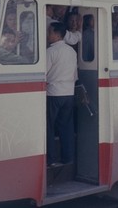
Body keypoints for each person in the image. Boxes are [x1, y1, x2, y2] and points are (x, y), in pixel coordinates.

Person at [46, 22, 78, 167]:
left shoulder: (50, 52)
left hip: (53, 93)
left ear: (57, 34)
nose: (48, 35)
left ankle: (50, 159)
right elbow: (75, 74)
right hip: (69, 93)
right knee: (66, 127)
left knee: (49, 127)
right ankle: (68, 158)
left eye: (50, 32)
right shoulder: (72, 51)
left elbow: (43, 74)